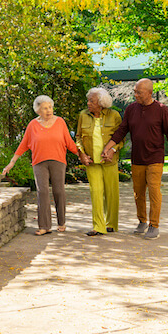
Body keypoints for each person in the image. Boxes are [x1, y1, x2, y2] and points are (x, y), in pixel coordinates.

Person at [102, 78, 168, 239]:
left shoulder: (161, 109)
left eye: (139, 92)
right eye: (135, 91)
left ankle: (154, 225)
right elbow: (121, 131)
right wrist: (108, 148)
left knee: (154, 190)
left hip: (155, 157)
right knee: (138, 193)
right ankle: (142, 221)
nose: (135, 94)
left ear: (149, 93)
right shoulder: (131, 109)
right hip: (137, 158)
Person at [3, 95, 79, 235]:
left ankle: (61, 222)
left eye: (50, 107)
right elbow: (23, 144)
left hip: (58, 160)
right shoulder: (33, 125)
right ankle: (44, 226)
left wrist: (82, 155)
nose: (49, 110)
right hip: (39, 162)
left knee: (58, 191)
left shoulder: (60, 122)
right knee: (42, 192)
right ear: (38, 110)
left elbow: (69, 142)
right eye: (45, 108)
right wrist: (11, 163)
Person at [76, 87, 124, 236]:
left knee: (111, 193)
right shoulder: (83, 115)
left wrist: (112, 150)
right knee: (95, 193)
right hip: (92, 162)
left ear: (101, 103)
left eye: (92, 101)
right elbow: (78, 137)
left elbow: (120, 138)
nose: (88, 103)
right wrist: (81, 154)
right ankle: (98, 226)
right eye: (88, 100)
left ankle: (111, 223)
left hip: (109, 161)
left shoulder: (114, 115)